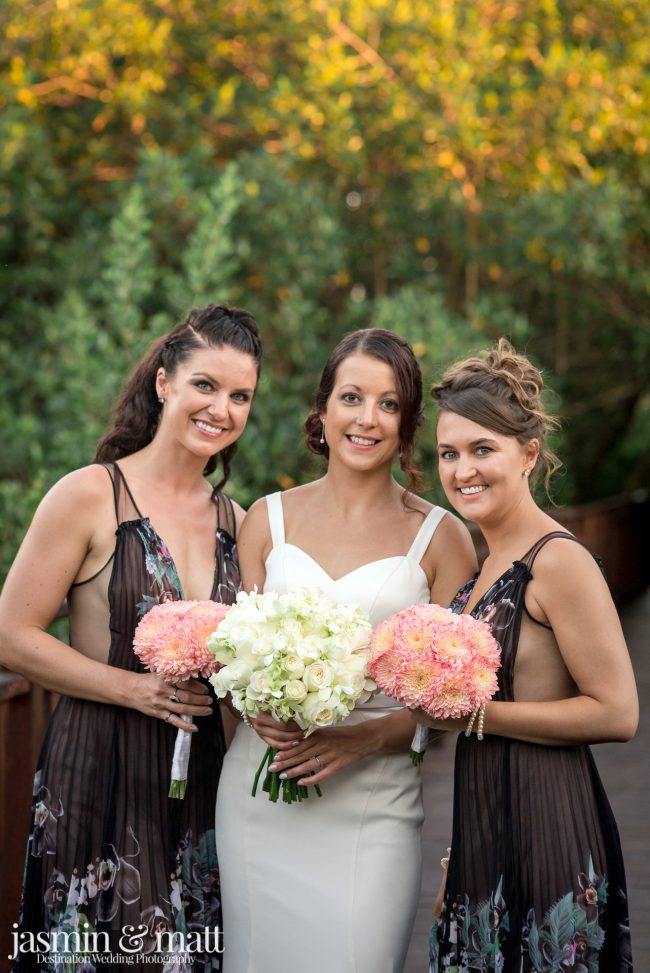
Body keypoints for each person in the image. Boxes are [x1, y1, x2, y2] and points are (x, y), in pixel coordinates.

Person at [0, 304, 262, 971]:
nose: (221, 408)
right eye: (205, 384)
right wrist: (135, 689)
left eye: (240, 396)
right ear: (164, 382)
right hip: (96, 774)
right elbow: (11, 634)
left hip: (199, 786)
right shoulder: (91, 494)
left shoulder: (239, 519)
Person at [215, 328, 478, 973]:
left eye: (389, 405)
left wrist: (369, 737)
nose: (367, 419)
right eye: (352, 397)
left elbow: (460, 698)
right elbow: (233, 653)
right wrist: (258, 710)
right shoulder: (265, 520)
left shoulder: (443, 540)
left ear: (408, 424)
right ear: (323, 409)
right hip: (261, 795)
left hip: (374, 804)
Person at [417, 340, 638, 972]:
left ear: (529, 454)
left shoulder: (558, 560)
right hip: (483, 830)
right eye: (448, 453)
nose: (463, 470)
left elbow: (617, 712)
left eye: (483, 449)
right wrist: (457, 860)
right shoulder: (484, 567)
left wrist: (477, 717)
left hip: (549, 826)